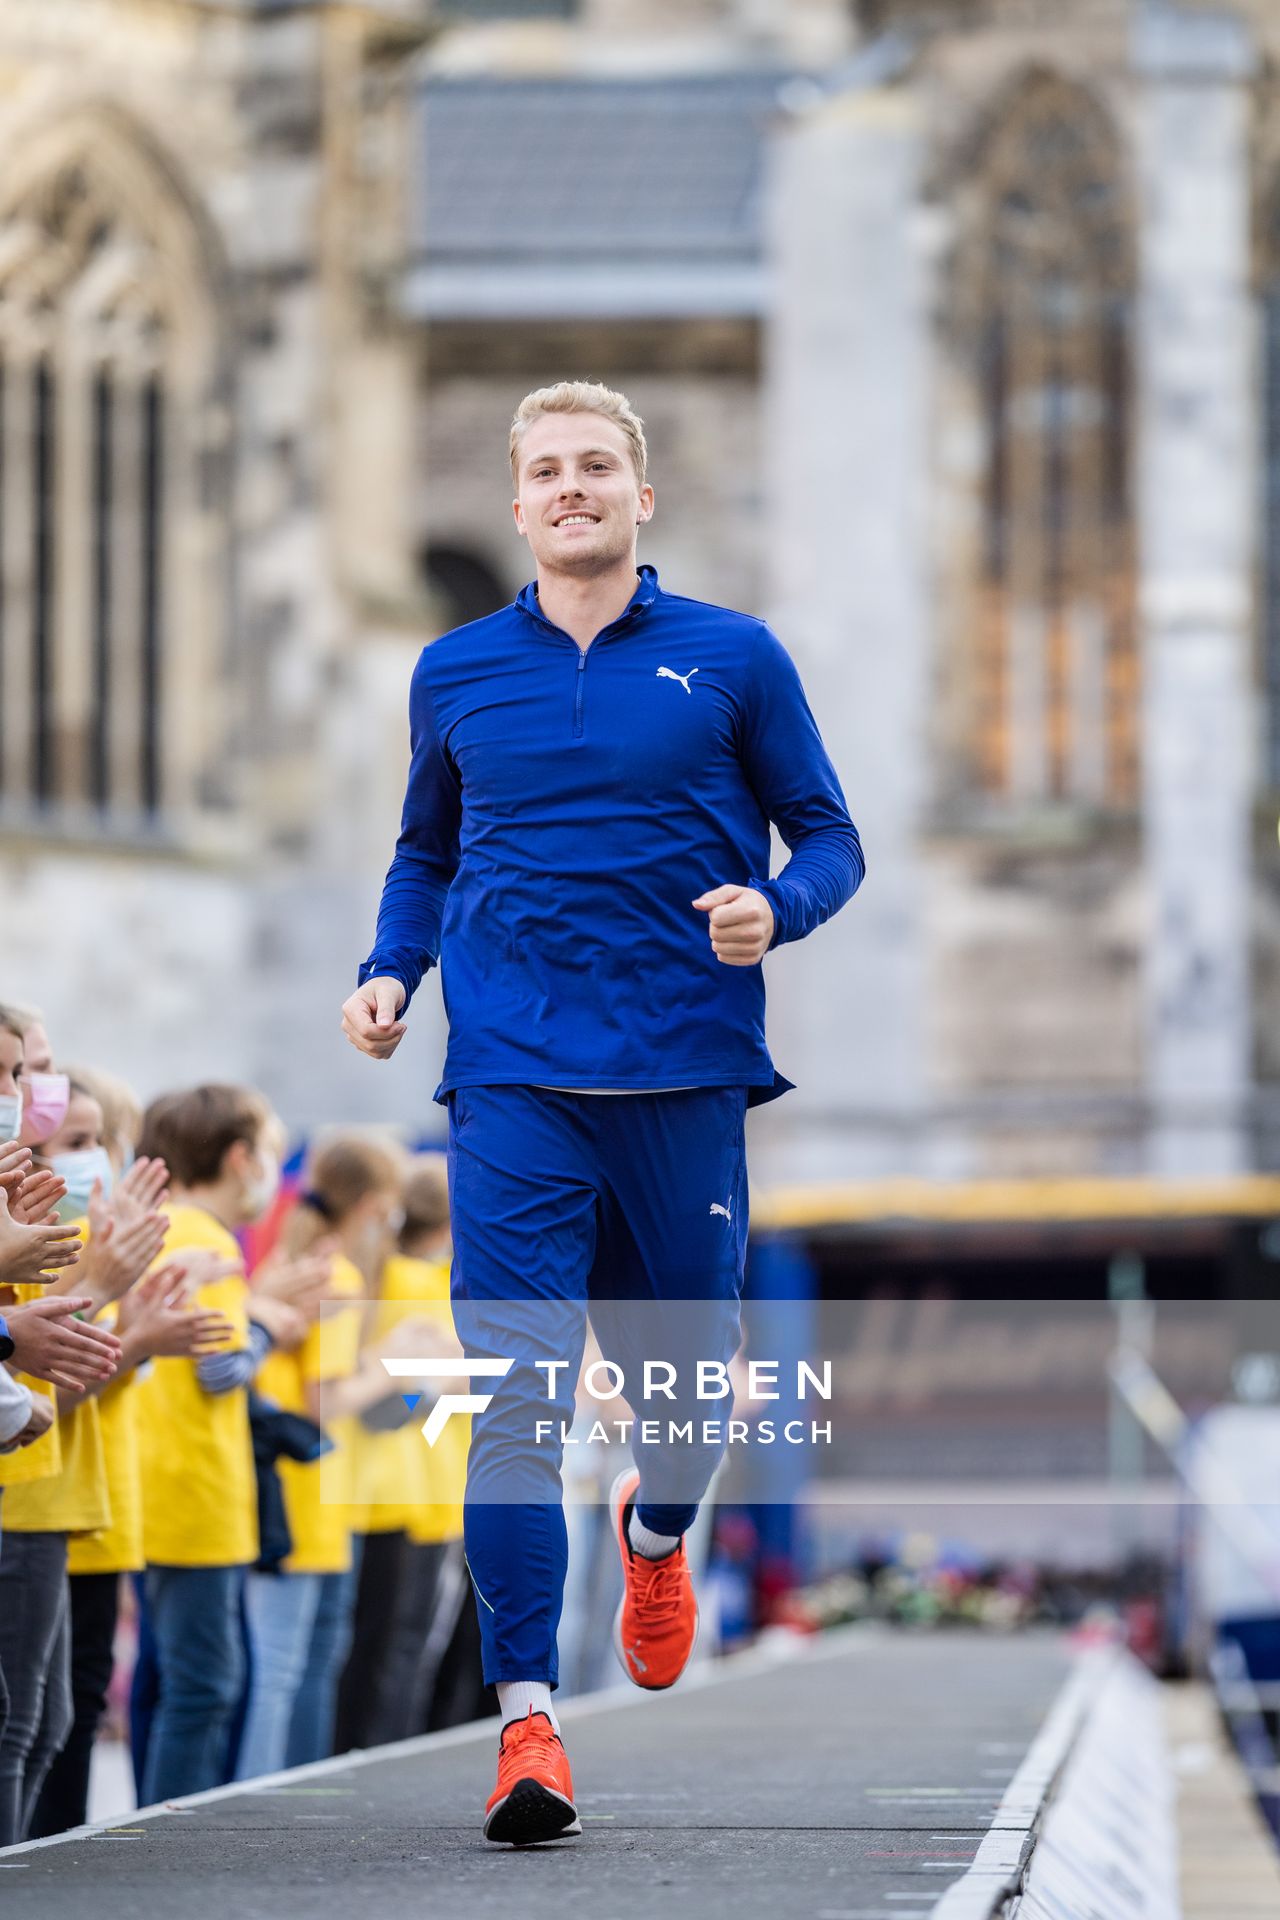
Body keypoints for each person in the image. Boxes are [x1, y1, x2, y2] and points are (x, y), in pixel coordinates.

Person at [341, 380, 863, 1844]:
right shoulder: (453, 670)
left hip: (685, 1066)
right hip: (506, 1076)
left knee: (685, 1399)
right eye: (546, 471)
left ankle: (656, 1533)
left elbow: (831, 834)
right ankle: (527, 1727)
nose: (572, 488)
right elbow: (424, 853)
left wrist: (781, 907)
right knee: (511, 1403)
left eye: (597, 468)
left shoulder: (735, 658)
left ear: (642, 496)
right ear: (515, 504)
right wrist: (393, 970)